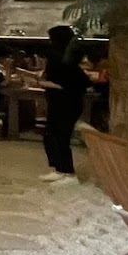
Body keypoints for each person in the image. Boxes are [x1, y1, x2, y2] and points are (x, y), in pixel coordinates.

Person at [41, 25, 89, 184]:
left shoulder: (61, 59)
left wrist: (42, 83)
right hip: (60, 102)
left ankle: (68, 172)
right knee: (51, 135)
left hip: (66, 102)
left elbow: (64, 83)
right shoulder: (64, 57)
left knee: (61, 136)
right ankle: (58, 168)